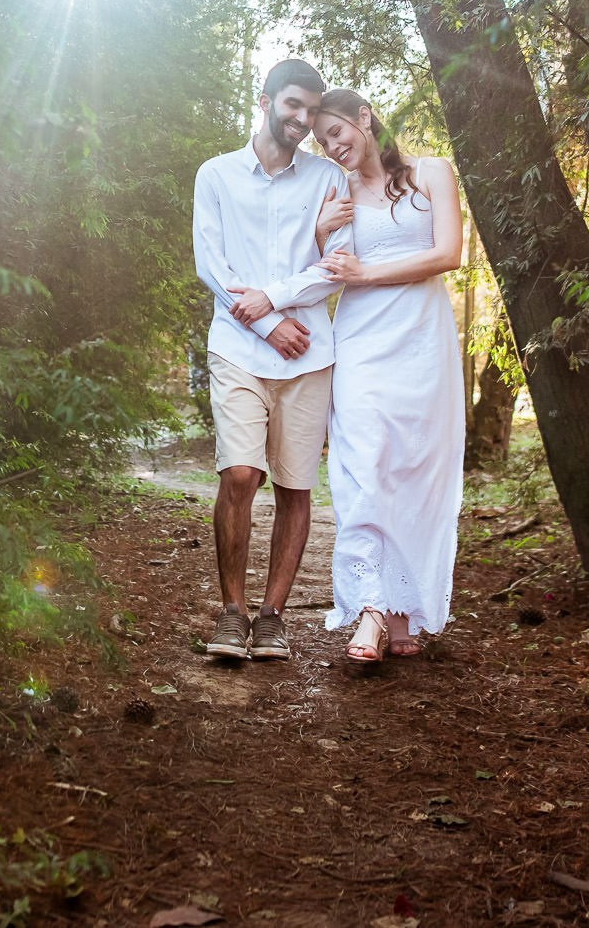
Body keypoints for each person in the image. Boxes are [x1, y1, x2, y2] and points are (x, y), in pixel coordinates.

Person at [191, 58, 349, 661]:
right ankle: (231, 613)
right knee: (240, 475)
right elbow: (212, 264)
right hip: (237, 348)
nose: (304, 121)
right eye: (294, 107)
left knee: (295, 486)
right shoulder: (217, 174)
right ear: (266, 101)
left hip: (308, 355)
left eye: (312, 111)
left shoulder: (327, 180)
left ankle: (272, 617)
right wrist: (265, 321)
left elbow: (334, 265)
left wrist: (279, 304)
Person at [307, 88, 466, 661]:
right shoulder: (334, 192)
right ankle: (370, 610)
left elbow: (449, 253)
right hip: (360, 345)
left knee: (411, 473)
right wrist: (320, 231)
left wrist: (367, 273)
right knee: (363, 465)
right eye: (323, 142)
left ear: (363, 119)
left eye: (336, 133)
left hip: (421, 343)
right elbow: (314, 270)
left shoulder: (432, 173)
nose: (332, 147)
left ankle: (402, 613)